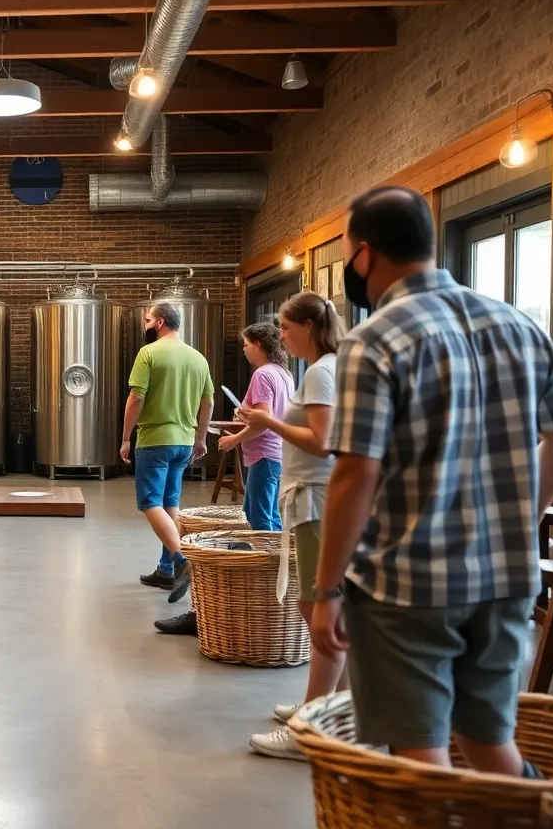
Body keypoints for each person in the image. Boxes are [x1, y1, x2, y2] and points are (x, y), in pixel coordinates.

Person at [312, 185, 553, 776]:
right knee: (490, 744)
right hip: (507, 579)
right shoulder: (518, 326)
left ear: (365, 255)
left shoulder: (375, 340)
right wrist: (517, 523)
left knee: (421, 756)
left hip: (407, 584)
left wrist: (328, 591)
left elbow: (356, 472)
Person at [234, 292, 346, 761]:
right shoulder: (328, 367)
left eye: (286, 326)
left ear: (308, 326)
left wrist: (266, 421)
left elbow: (322, 441)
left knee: (322, 614)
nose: (280, 336)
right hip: (316, 499)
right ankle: (325, 710)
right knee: (319, 607)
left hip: (317, 501)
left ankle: (313, 729)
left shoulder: (320, 371)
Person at [121, 303, 215, 636]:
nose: (146, 324)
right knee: (170, 502)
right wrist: (201, 438)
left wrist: (125, 437)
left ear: (159, 322)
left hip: (155, 439)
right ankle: (166, 570)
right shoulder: (198, 357)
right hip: (184, 441)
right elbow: (208, 401)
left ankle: (181, 558)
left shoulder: (149, 354)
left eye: (148, 319)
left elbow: (136, 398)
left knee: (149, 503)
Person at [218, 322, 293, 531]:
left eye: (246, 344)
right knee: (268, 513)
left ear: (258, 344)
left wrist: (234, 439)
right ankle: (278, 560)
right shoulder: (284, 373)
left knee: (259, 517)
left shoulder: (262, 374)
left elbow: (263, 423)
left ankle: (267, 561)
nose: (244, 349)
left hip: (264, 455)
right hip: (278, 453)